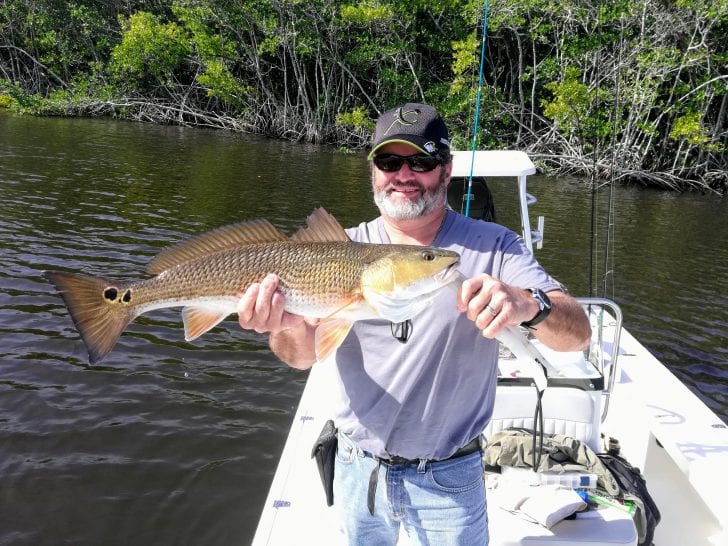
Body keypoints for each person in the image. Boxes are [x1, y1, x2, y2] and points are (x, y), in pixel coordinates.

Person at [237, 103, 591, 545]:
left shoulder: (495, 246)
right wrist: (283, 325)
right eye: (388, 161)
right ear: (373, 170)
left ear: (446, 170)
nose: (403, 174)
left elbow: (578, 336)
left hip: (450, 474)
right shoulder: (341, 247)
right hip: (356, 465)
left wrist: (527, 304)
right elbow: (302, 355)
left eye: (421, 161)